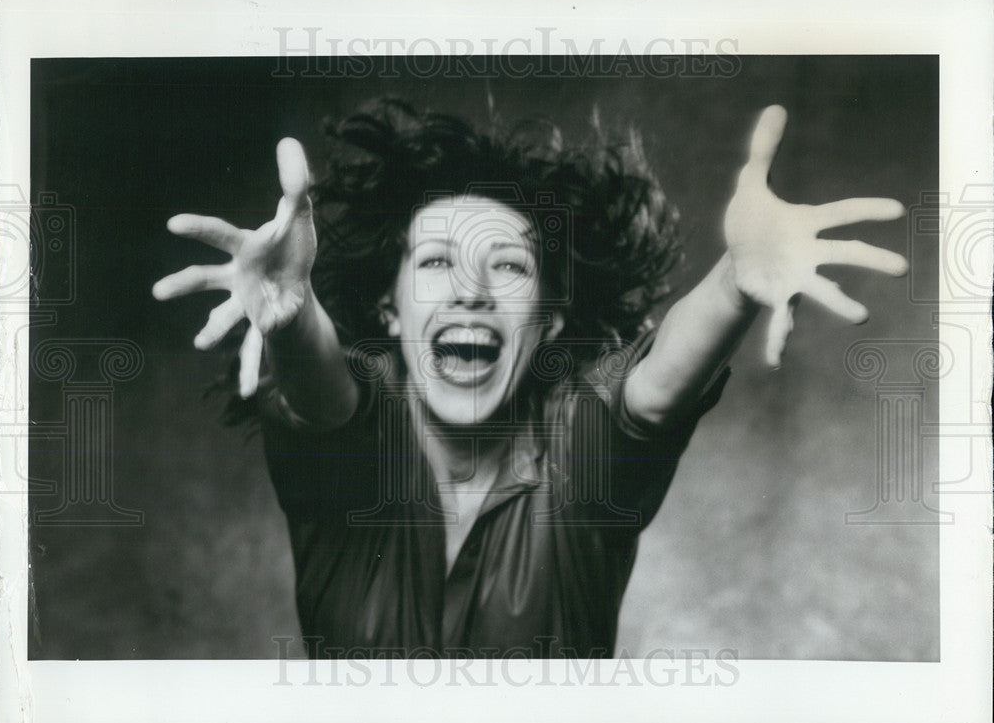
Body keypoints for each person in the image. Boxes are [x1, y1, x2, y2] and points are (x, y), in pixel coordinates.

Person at [153, 100, 908, 658]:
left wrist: (733, 284)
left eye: (508, 266)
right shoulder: (357, 430)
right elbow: (322, 393)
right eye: (438, 261)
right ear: (389, 309)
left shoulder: (579, 447)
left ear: (547, 323)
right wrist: (291, 316)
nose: (471, 290)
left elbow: (654, 388)